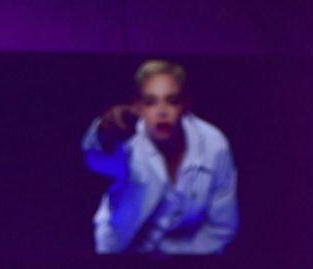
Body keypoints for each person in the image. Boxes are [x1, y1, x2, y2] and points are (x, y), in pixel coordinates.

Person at [81, 60, 238, 255]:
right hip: (120, 252)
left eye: (172, 101)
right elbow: (95, 160)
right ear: (137, 106)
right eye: (150, 102)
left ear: (186, 105)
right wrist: (104, 131)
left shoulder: (214, 146)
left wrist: (169, 256)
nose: (162, 111)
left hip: (192, 259)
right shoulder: (127, 137)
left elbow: (221, 228)